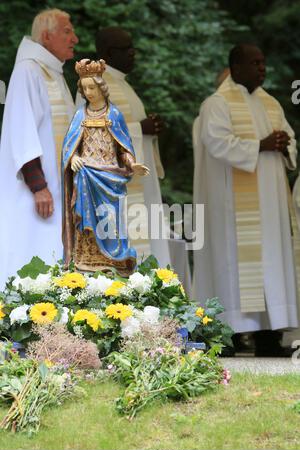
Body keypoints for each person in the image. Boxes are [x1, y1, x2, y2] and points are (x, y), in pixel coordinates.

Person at [193, 43, 299, 356]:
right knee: (234, 268)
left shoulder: (271, 103)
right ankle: (230, 335)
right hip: (233, 207)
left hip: (270, 206)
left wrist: (283, 145)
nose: (262, 68)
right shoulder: (217, 104)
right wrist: (260, 145)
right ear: (236, 67)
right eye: (256, 63)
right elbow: (217, 142)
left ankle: (268, 336)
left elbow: (290, 139)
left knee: (270, 267)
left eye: (264, 62)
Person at [93, 26, 192, 293]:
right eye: (127, 48)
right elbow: (95, 134)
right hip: (117, 188)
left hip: (140, 185)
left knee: (150, 241)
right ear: (109, 52)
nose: (133, 52)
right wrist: (141, 129)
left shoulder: (122, 85)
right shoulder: (95, 85)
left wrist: (149, 130)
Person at [0, 9, 78, 289]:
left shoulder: (53, 73)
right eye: (67, 31)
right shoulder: (28, 70)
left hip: (57, 192)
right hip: (36, 193)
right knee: (30, 255)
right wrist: (38, 186)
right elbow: (21, 131)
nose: (75, 39)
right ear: (46, 36)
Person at [62, 59, 149, 276]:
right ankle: (86, 259)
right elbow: (70, 145)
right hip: (85, 176)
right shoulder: (80, 115)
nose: (88, 92)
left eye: (92, 87)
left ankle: (115, 259)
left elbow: (123, 147)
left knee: (110, 219)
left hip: (109, 178)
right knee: (84, 217)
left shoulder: (114, 115)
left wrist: (131, 163)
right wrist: (72, 159)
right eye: (84, 88)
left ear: (102, 87)